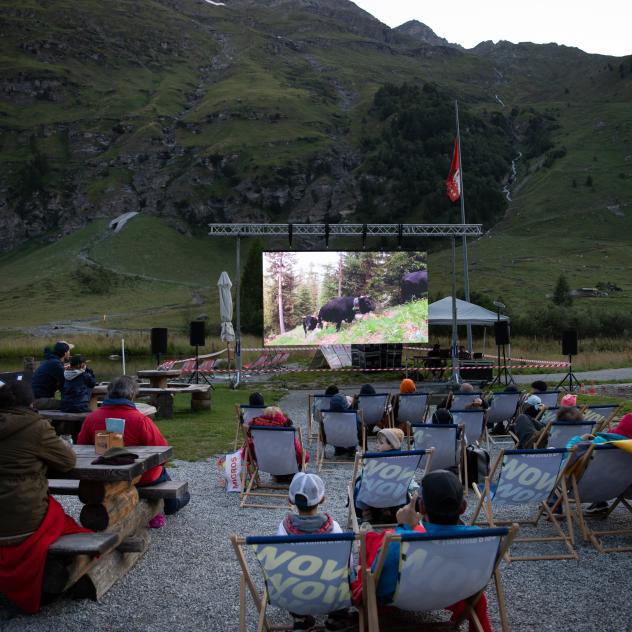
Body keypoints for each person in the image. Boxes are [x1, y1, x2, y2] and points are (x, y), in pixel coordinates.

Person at [351, 470, 492, 632]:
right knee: (478, 597)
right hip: (453, 592)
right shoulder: (481, 538)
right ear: (464, 507)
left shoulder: (396, 540)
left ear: (421, 507)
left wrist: (403, 527)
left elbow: (380, 578)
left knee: (367, 561)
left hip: (403, 597)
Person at [0, 380, 90, 613]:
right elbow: (67, 461)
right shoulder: (36, 427)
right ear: (31, 403)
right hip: (22, 517)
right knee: (61, 518)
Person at [77, 375, 190, 524]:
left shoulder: (92, 418)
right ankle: (167, 505)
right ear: (131, 395)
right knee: (174, 485)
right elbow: (162, 451)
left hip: (103, 475)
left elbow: (81, 446)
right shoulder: (140, 420)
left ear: (109, 393)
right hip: (141, 477)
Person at [277, 473, 353, 631]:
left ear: (290, 500)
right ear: (322, 499)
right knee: (346, 576)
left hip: (296, 593)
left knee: (288, 576)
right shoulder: (334, 528)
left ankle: (300, 619)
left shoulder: (284, 528)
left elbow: (279, 566)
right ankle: (336, 619)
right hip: (330, 593)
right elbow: (348, 565)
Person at [354, 428, 416, 525]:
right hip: (397, 496)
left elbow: (365, 478)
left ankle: (366, 512)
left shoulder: (373, 459)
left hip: (374, 496)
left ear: (391, 445)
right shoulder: (405, 459)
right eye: (377, 442)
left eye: (381, 443)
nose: (377, 445)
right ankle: (387, 509)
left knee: (358, 484)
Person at [242, 405, 309, 477]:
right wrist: (306, 457)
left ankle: (277, 476)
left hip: (267, 466)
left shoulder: (256, 435)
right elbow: (301, 455)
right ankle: (294, 477)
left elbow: (247, 454)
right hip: (288, 468)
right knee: (301, 453)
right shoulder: (287, 433)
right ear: (281, 417)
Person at [31, 341, 72, 409]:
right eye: (69, 351)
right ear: (65, 353)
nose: (69, 353)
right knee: (69, 405)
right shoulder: (55, 364)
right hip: (38, 400)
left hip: (36, 398)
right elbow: (65, 383)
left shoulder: (51, 361)